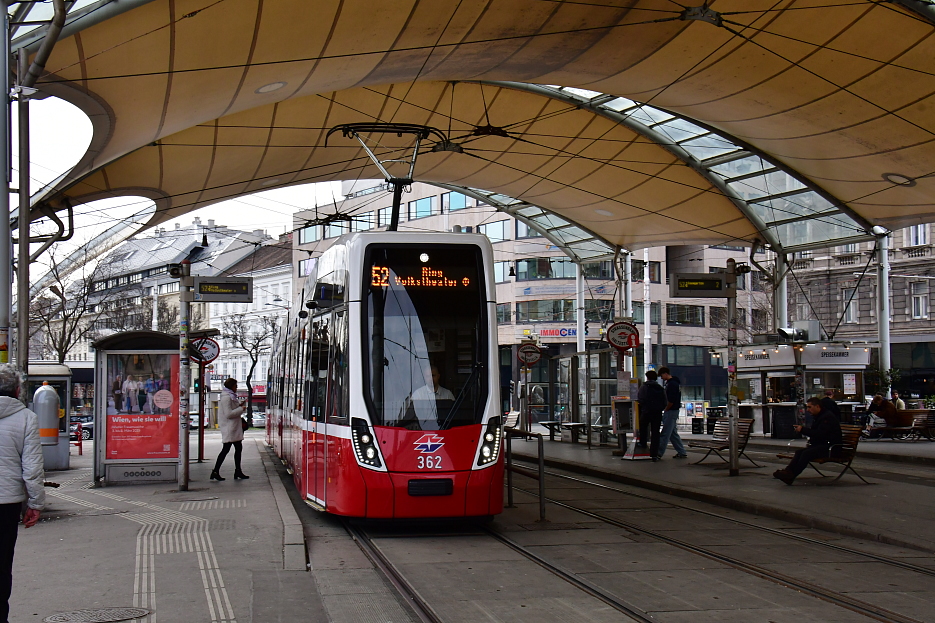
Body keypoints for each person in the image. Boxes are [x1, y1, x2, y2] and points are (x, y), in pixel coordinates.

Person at [0, 365, 45, 623]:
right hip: (6, 504)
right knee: (2, 564)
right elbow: (32, 467)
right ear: (18, 391)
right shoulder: (26, 418)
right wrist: (35, 503)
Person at [773, 397, 842, 485]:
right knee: (799, 452)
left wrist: (803, 430)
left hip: (831, 448)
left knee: (807, 453)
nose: (808, 410)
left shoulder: (827, 417)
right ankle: (788, 471)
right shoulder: (819, 416)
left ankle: (792, 475)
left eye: (809, 407)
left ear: (817, 406)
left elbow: (819, 434)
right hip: (823, 445)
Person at [211, 378, 248, 481]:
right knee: (226, 449)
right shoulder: (227, 397)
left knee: (237, 448)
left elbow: (231, 409)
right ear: (231, 386)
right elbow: (228, 414)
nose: (236, 388)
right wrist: (241, 409)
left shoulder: (230, 396)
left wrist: (239, 406)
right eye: (235, 386)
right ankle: (216, 471)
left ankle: (237, 470)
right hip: (230, 428)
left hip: (233, 428)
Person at [657, 367, 688, 459]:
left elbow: (671, 400)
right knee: (673, 433)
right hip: (674, 410)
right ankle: (681, 452)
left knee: (665, 433)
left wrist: (666, 409)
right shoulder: (675, 383)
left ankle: (659, 453)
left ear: (665, 373)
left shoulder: (671, 384)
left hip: (671, 411)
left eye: (662, 375)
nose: (661, 378)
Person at [637, 370, 667, 461]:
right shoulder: (660, 388)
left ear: (647, 377)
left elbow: (640, 399)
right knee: (655, 432)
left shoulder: (644, 387)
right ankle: (654, 454)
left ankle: (643, 443)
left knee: (643, 426)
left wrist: (644, 406)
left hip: (646, 411)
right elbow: (664, 401)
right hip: (657, 412)